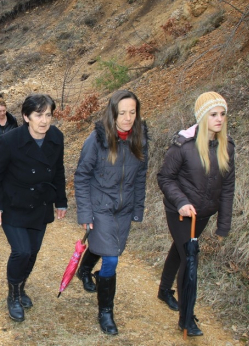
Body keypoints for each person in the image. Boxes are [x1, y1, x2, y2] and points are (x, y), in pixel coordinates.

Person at [157, 91, 235, 337]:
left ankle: (164, 290)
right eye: (213, 114)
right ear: (202, 117)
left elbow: (227, 189)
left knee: (180, 251)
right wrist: (180, 202)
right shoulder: (183, 145)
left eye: (222, 114)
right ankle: (186, 318)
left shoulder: (227, 147)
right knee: (190, 259)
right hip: (180, 213)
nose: (219, 119)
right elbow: (165, 177)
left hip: (203, 215)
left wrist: (223, 226)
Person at [0, 94, 68, 322]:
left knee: (32, 252)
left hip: (40, 204)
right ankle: (13, 296)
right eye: (38, 115)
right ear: (26, 117)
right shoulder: (10, 141)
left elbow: (58, 171)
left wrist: (60, 200)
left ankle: (21, 287)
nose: (44, 120)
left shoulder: (56, 137)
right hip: (14, 204)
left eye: (48, 115)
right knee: (21, 251)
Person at [74, 89, 148, 335]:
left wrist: (138, 208)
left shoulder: (140, 139)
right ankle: (106, 311)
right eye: (122, 112)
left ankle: (84, 270)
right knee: (112, 258)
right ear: (112, 112)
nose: (128, 118)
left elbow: (139, 178)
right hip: (100, 207)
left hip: (124, 211)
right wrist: (85, 213)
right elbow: (82, 176)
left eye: (132, 112)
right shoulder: (96, 140)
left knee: (108, 248)